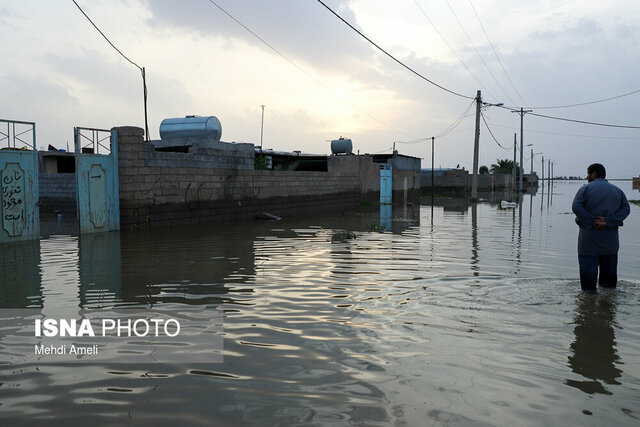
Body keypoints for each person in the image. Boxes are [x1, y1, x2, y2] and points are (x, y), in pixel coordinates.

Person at [572, 163, 630, 292]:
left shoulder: (585, 189)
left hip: (588, 241)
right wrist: (608, 221)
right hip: (610, 242)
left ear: (594, 174)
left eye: (588, 174)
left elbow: (576, 207)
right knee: (609, 287)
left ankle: (588, 307)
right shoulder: (617, 190)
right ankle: (608, 308)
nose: (587, 177)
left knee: (588, 287)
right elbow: (626, 209)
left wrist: (592, 221)